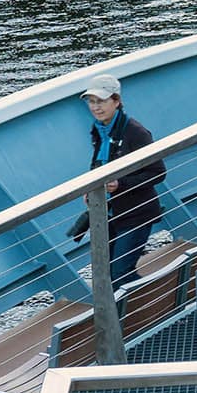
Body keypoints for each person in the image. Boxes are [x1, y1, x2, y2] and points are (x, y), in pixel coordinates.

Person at [76, 75, 165, 288]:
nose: (95, 107)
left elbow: (158, 172)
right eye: (91, 101)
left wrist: (121, 184)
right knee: (106, 270)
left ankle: (151, 304)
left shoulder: (136, 132)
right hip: (110, 213)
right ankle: (127, 313)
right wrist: (91, 188)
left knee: (120, 272)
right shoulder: (100, 129)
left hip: (136, 213)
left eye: (101, 101)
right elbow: (99, 162)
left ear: (116, 101)